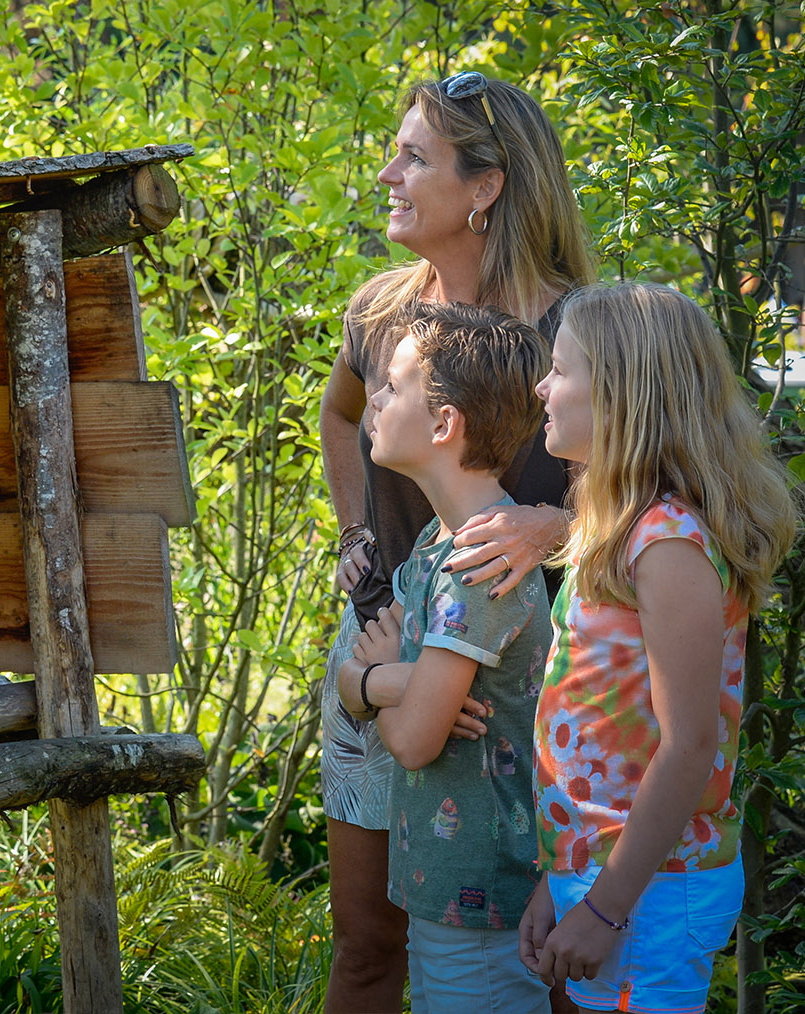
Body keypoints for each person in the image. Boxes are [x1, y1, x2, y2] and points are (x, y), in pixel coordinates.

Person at [319, 70, 594, 1011]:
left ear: (486, 186)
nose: (387, 175)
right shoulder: (379, 315)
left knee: (535, 954)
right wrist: (355, 533)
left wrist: (554, 526)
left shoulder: (577, 332)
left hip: (516, 687)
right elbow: (338, 413)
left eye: (413, 157)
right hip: (381, 646)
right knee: (367, 946)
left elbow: (648, 497)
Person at [519, 281, 799, 1013]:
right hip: (607, 875)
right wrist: (559, 876)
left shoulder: (668, 543)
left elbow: (688, 746)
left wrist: (605, 908)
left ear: (622, 395)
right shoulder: (620, 526)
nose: (542, 387)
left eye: (560, 369)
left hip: (651, 889)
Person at [335, 302, 556, 1012]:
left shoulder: (477, 565)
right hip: (442, 891)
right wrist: (393, 680)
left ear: (443, 425)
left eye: (393, 386)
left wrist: (372, 682)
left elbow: (412, 739)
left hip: (482, 902)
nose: (373, 399)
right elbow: (382, 673)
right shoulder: (439, 540)